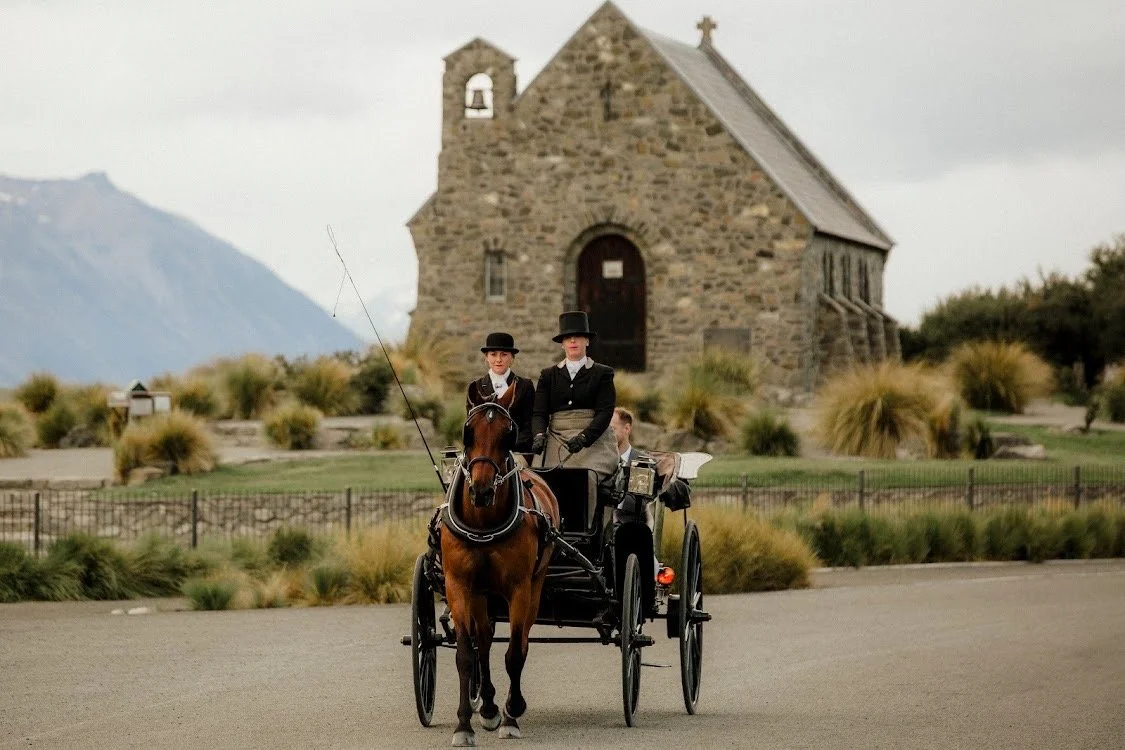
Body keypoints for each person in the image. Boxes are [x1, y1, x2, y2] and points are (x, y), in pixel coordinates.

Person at [530, 311, 618, 481]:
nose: (572, 341)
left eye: (577, 336)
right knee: (541, 478)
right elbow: (539, 412)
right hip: (556, 438)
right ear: (562, 344)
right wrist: (539, 435)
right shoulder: (548, 375)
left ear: (587, 341)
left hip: (593, 441)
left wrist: (585, 437)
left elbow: (605, 412)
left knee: (586, 478)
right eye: (568, 337)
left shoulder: (602, 373)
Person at [465, 332, 534, 455]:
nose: (498, 360)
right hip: (483, 452)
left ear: (512, 357)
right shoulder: (476, 387)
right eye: (493, 354)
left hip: (516, 451)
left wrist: (508, 446)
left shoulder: (525, 386)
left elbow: (528, 425)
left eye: (504, 354)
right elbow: (471, 425)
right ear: (486, 357)